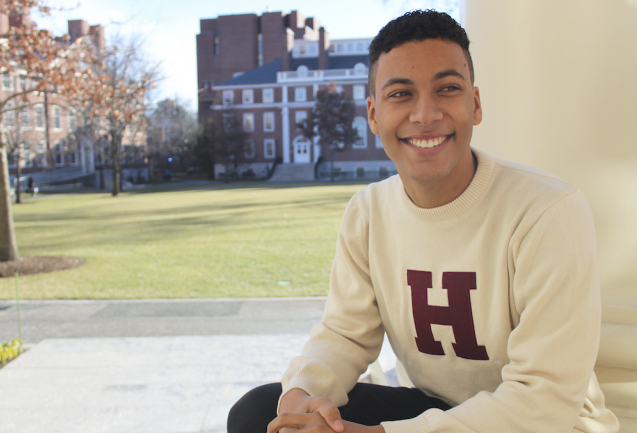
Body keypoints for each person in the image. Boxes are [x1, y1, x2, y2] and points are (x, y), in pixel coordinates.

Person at [228, 10, 620, 433]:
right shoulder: (368, 212)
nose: (426, 113)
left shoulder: (547, 210)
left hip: (546, 423)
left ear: (475, 104)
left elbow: (543, 400)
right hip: (435, 406)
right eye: (401, 94)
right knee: (260, 414)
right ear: (374, 115)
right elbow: (345, 334)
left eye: (447, 89)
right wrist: (301, 397)